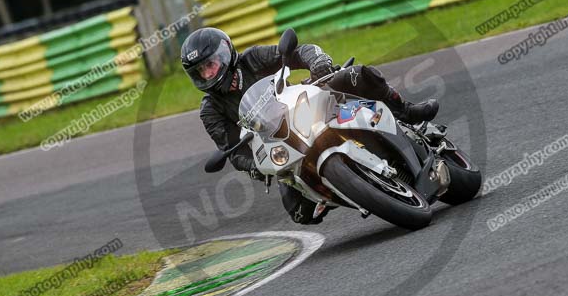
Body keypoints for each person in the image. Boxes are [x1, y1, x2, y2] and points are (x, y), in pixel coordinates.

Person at [181, 27, 438, 225]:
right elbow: (233, 152)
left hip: (306, 106)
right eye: (200, 71)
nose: (208, 74)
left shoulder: (252, 59)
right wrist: (258, 167)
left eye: (210, 64)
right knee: (301, 214)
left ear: (225, 53)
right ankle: (350, 189)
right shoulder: (210, 110)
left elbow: (298, 52)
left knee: (358, 74)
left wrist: (318, 65)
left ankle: (406, 112)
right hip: (281, 145)